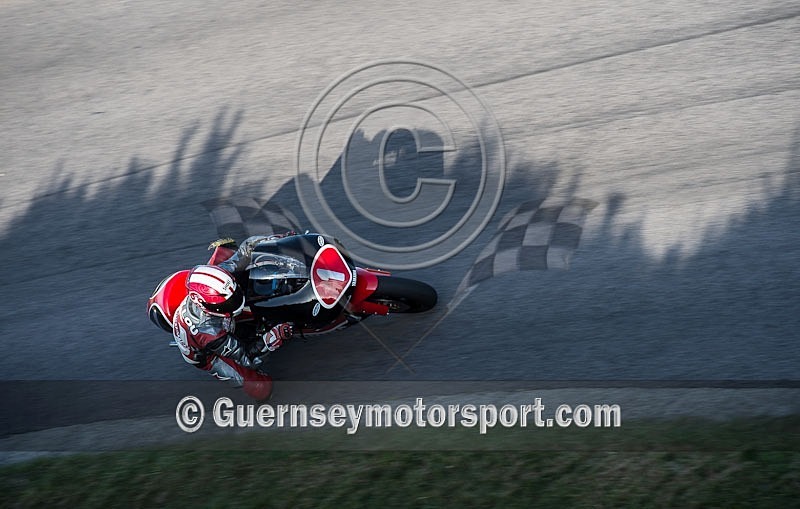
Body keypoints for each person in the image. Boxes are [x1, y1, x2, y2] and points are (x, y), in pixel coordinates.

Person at [171, 235, 295, 400]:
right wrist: (270, 339)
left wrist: (276, 241)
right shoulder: (210, 333)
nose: (236, 301)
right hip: (207, 354)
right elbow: (246, 358)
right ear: (207, 306)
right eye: (228, 302)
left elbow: (248, 248)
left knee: (230, 250)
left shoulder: (222, 278)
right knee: (261, 388)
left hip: (220, 320)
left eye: (234, 296)